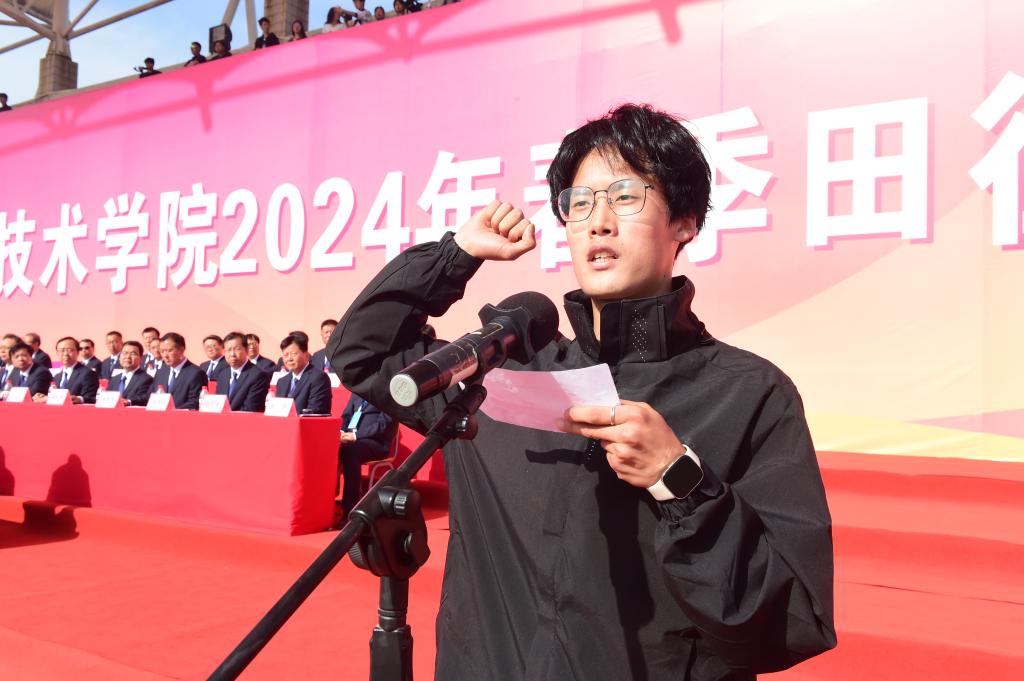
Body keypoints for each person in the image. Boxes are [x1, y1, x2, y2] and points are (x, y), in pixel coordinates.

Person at [329, 103, 836, 680]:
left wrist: (681, 480)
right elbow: (363, 353)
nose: (598, 222)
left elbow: (790, 622)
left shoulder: (749, 395)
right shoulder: (502, 375)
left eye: (626, 196)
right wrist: (454, 255)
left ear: (685, 222)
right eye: (580, 203)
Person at [336, 392, 395, 520]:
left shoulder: (386, 394)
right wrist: (341, 432)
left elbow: (383, 425)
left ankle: (350, 507)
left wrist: (355, 436)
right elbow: (346, 416)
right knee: (330, 448)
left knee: (350, 451)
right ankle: (327, 502)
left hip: (375, 442)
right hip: (350, 439)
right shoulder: (357, 393)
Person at [274, 334, 331, 415]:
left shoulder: (318, 378)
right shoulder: (282, 382)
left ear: (306, 355)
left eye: (293, 354)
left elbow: (314, 411)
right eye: (285, 355)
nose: (289, 359)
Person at [149, 332, 208, 410]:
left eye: (169, 350)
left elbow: (195, 402)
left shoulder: (196, 373)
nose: (165, 355)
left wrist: (172, 411)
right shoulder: (161, 372)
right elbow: (151, 396)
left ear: (181, 350)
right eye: (162, 351)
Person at [216, 332, 272, 412]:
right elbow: (219, 404)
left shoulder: (258, 375)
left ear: (246, 350)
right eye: (228, 350)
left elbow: (251, 408)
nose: (232, 354)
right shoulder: (223, 374)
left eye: (237, 349)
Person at [39, 337, 98, 404]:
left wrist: (80, 399)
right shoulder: (57, 377)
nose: (65, 354)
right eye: (61, 350)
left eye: (70, 350)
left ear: (78, 352)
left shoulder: (88, 373)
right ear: (57, 353)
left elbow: (91, 397)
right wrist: (44, 397)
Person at [113, 341, 154, 406]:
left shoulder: (146, 379)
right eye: (125, 353)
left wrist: (129, 401)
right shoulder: (114, 379)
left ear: (141, 358)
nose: (127, 357)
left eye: (133, 353)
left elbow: (144, 398)